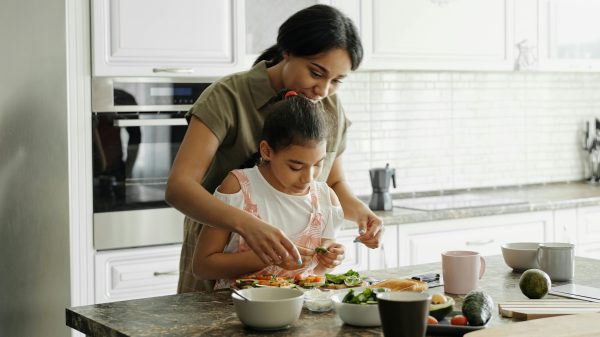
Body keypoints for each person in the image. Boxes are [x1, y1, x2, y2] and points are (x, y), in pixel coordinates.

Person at [166, 4, 384, 293]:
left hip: (292, 285)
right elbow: (179, 187)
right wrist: (247, 225)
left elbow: (333, 182)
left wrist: (362, 213)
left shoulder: (329, 106)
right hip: (219, 270)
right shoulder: (228, 96)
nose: (323, 90)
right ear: (287, 51)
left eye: (336, 81)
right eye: (316, 73)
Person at [193, 92, 345, 289]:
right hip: (237, 310)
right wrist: (267, 258)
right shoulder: (239, 187)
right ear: (267, 151)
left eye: (318, 164)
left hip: (301, 310)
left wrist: (331, 259)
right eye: (296, 166)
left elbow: (318, 271)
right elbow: (203, 266)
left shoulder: (326, 198)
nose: (308, 177)